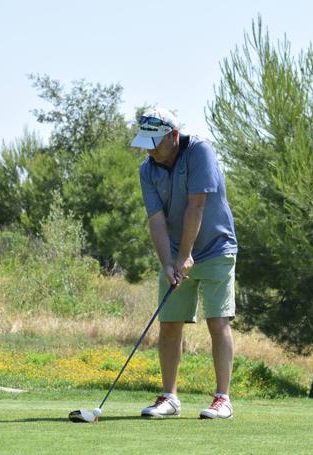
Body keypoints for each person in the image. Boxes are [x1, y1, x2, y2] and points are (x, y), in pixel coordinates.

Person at [132, 107, 238, 419]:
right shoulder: (147, 171)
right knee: (170, 324)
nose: (149, 149)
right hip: (177, 252)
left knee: (218, 321)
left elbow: (197, 205)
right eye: (145, 143)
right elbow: (156, 221)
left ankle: (222, 398)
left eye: (155, 142)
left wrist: (185, 256)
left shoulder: (199, 151)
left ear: (173, 136)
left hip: (216, 247)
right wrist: (168, 262)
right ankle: (169, 397)